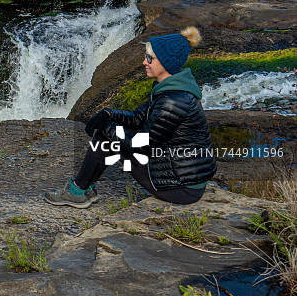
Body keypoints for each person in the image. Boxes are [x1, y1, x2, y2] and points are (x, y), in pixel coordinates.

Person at [46, 27, 216, 208]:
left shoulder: (173, 101)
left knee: (105, 138)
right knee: (111, 131)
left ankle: (79, 191)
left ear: (166, 62)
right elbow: (137, 118)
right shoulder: (172, 89)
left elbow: (142, 145)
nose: (144, 62)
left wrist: (106, 129)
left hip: (180, 187)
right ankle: (83, 189)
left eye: (150, 58)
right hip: (182, 176)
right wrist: (108, 114)